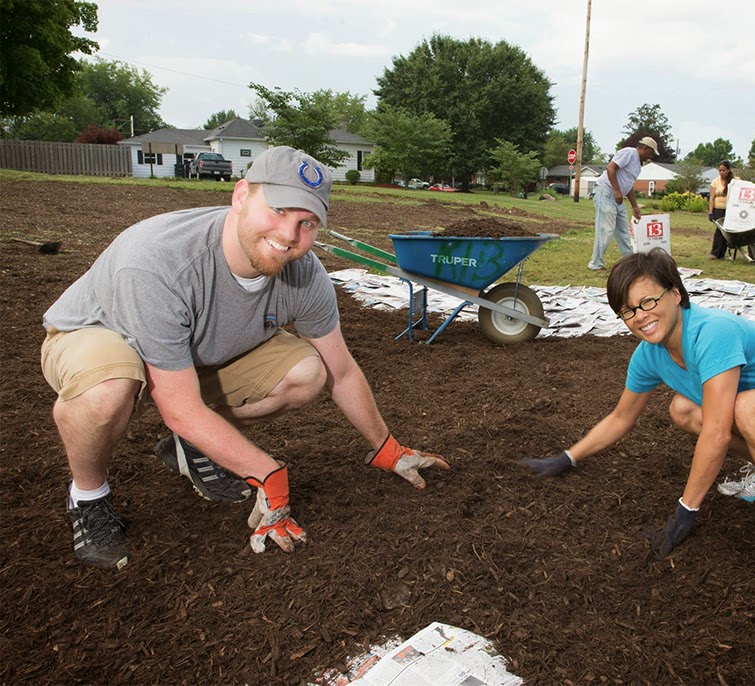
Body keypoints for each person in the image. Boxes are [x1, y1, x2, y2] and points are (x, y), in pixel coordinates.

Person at [42, 145, 449, 570]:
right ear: (240, 196)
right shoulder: (158, 262)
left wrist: (386, 448)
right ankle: (88, 497)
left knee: (308, 372)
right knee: (107, 393)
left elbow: (341, 371)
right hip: (101, 333)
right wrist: (267, 472)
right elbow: (179, 407)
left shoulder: (304, 275)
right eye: (277, 210)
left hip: (194, 350)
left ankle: (195, 447)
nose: (289, 236)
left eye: (306, 222)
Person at [520, 248, 755, 615]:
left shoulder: (711, 332)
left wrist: (685, 511)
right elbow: (621, 418)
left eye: (648, 302)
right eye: (628, 311)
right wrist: (567, 458)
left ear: (676, 293)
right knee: (684, 409)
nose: (640, 317)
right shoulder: (650, 354)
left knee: (746, 408)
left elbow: (719, 433)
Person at [587, 135, 659, 271]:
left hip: (617, 197)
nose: (651, 156)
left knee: (624, 231)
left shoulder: (638, 165)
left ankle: (629, 262)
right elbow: (610, 168)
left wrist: (634, 205)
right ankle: (595, 264)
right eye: (650, 153)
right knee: (606, 230)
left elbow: (629, 185)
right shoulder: (629, 153)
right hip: (606, 193)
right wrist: (617, 191)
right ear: (645, 148)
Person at [708, 161, 737, 260]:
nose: (721, 172)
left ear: (728, 170)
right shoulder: (715, 182)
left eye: (723, 170)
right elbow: (712, 197)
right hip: (718, 209)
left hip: (730, 209)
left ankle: (721, 254)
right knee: (720, 230)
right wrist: (710, 212)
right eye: (720, 170)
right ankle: (715, 253)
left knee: (726, 231)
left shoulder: (734, 181)